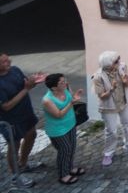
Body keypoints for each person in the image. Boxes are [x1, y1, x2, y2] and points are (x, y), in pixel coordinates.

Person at [93, 52, 128, 163]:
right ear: (108, 65)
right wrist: (111, 88)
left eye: (118, 59)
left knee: (127, 122)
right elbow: (101, 96)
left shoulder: (123, 67)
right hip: (109, 106)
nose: (119, 62)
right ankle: (108, 153)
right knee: (111, 130)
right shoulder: (98, 77)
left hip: (123, 101)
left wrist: (126, 82)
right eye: (116, 61)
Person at [0, 52, 40, 185]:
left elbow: (26, 84)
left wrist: (35, 80)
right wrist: (26, 89)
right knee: (14, 144)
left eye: (8, 60)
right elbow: (6, 106)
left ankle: (23, 163)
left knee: (31, 134)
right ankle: (15, 176)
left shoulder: (15, 70)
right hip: (11, 120)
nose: (8, 63)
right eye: (4, 62)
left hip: (26, 112)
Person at [40, 74, 83, 185]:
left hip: (71, 124)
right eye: (62, 82)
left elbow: (71, 98)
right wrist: (71, 103)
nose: (65, 83)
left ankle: (70, 168)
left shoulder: (66, 88)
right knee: (65, 150)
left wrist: (75, 98)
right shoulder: (47, 100)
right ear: (54, 87)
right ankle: (63, 175)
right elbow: (58, 115)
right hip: (57, 130)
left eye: (65, 81)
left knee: (72, 147)